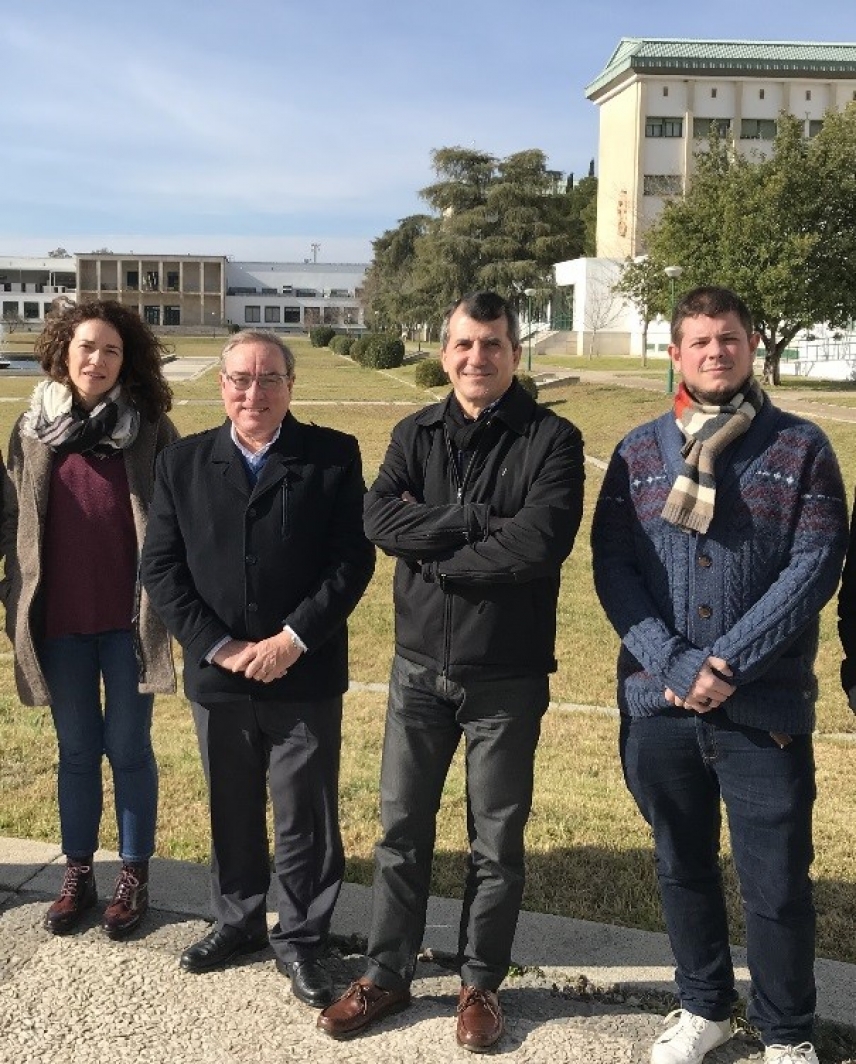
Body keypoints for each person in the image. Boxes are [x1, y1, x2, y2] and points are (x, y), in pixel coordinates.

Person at [318, 291, 585, 1051]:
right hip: (416, 672)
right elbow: (379, 521)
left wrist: (433, 545)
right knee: (401, 831)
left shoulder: (552, 439)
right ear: (446, 353)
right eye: (464, 345)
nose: (477, 358)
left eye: (492, 345)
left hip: (505, 677)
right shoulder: (415, 431)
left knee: (496, 843)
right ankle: (387, 974)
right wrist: (472, 521)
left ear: (514, 353)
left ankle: (479, 985)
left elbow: (537, 546)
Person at [591, 286, 848, 1064]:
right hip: (658, 704)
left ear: (751, 344)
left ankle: (786, 1031)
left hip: (761, 709)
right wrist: (673, 662)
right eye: (698, 341)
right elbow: (613, 566)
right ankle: (703, 1004)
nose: (714, 352)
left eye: (728, 338)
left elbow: (815, 565)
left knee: (776, 884)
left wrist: (727, 663)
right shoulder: (639, 452)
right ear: (675, 352)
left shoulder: (801, 448)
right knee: (682, 864)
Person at [140, 329, 374, 1007]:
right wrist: (222, 647)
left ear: (291, 387)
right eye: (241, 378)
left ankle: (300, 939)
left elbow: (350, 560)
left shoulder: (331, 456)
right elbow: (161, 565)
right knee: (231, 807)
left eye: (270, 378)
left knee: (304, 813)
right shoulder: (181, 462)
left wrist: (292, 639)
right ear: (222, 386)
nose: (254, 392)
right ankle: (237, 920)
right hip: (219, 675)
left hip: (302, 670)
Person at [0, 299, 178, 939]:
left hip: (129, 623)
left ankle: (133, 873)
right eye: (85, 347)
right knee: (76, 752)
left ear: (126, 360)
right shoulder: (30, 429)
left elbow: (181, 516)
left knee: (129, 750)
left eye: (110, 350)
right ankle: (78, 873)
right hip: (59, 623)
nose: (96, 360)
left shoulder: (150, 428)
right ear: (62, 350)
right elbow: (10, 516)